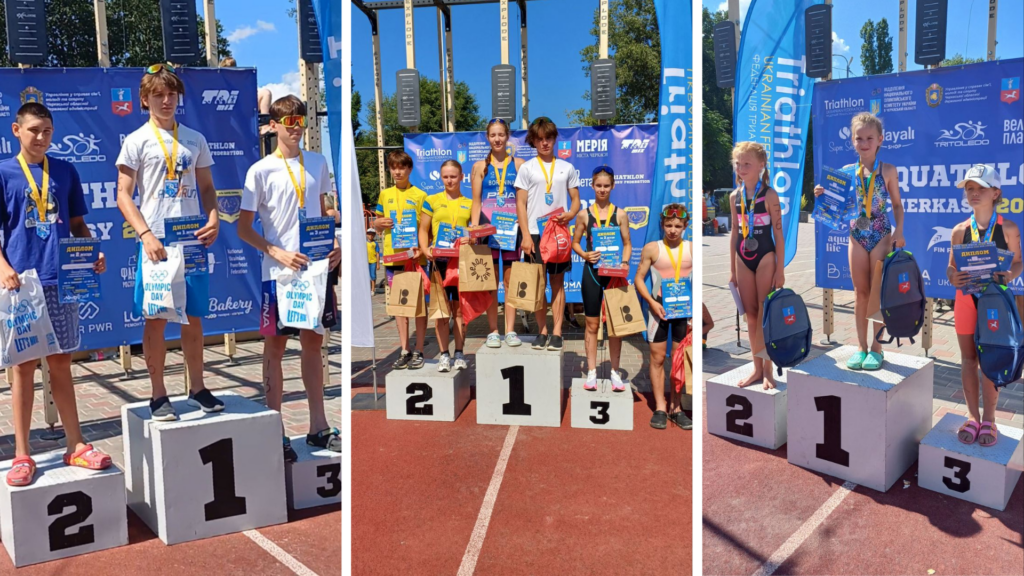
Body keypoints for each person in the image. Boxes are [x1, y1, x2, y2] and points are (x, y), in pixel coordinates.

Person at [0, 103, 113, 486]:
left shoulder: (65, 170)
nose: (41, 137)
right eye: (33, 129)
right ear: (16, 130)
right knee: (23, 368)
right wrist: (3, 268)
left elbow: (78, 224)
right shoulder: (4, 172)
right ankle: (21, 454)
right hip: (22, 284)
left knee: (62, 363)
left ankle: (75, 444)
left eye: (47, 130)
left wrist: (91, 252)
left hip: (63, 280)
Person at [116, 63, 223, 420]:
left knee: (193, 317)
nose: (166, 100)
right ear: (144, 100)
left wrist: (213, 217)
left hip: (191, 239)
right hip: (157, 241)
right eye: (158, 95)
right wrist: (145, 234)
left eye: (171, 94)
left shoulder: (194, 138)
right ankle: (158, 394)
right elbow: (123, 194)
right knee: (156, 319)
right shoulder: (136, 140)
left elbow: (207, 188)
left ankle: (197, 387)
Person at [237, 94, 342, 460]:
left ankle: (318, 426)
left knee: (314, 344)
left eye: (301, 122)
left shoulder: (318, 162)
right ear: (274, 126)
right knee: (275, 348)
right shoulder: (260, 170)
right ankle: (275, 429)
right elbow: (243, 229)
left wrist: (335, 243)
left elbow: (326, 213)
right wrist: (276, 252)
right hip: (278, 275)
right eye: (289, 123)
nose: (296, 129)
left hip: (315, 270)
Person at [814, 112, 905, 372]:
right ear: (852, 141)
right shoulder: (845, 173)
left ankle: (877, 348)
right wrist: (821, 195)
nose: (864, 143)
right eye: (859, 138)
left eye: (869, 138)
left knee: (877, 293)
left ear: (880, 140)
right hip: (856, 234)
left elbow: (897, 205)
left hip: (880, 233)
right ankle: (861, 347)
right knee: (860, 293)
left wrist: (899, 230)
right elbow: (836, 207)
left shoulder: (888, 170)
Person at [947, 164, 1022, 447]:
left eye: (981, 188)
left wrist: (1011, 274)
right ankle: (972, 416)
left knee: (990, 357)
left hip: (994, 302)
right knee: (969, 359)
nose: (974, 193)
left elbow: (1018, 262)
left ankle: (989, 418)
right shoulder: (959, 230)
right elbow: (951, 268)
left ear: (996, 192)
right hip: (965, 300)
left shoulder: (1008, 228)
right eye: (970, 188)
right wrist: (953, 276)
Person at [513, 117, 581, 351]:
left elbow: (576, 200)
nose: (544, 143)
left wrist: (571, 214)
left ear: (554, 139)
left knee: (558, 284)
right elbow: (520, 204)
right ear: (533, 141)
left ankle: (557, 332)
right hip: (535, 233)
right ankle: (542, 331)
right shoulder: (527, 168)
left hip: (558, 233)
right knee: (538, 285)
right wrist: (525, 235)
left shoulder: (566, 167)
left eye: (548, 138)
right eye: (540, 139)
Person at [729, 142, 785, 389]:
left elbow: (779, 235)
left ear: (761, 165)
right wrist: (732, 269)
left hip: (765, 258)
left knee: (765, 315)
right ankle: (756, 368)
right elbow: (734, 232)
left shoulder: (769, 195)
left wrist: (780, 270)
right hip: (743, 258)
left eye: (747, 164)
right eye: (738, 164)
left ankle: (768, 370)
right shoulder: (734, 196)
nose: (741, 168)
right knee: (751, 316)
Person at [570, 166, 631, 391]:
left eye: (606, 186)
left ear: (613, 186)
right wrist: (585, 255)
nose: (602, 189)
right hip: (592, 273)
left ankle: (615, 372)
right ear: (592, 186)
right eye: (598, 185)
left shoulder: (620, 214)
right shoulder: (584, 214)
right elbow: (575, 242)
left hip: (613, 275)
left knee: (615, 326)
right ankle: (592, 372)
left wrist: (624, 262)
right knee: (592, 324)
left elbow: (627, 244)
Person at [634, 204, 693, 430]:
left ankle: (675, 408)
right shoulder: (652, 248)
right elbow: (639, 279)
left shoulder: (692, 249)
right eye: (668, 225)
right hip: (658, 310)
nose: (673, 230)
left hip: (683, 312)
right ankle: (660, 407)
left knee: (678, 361)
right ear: (662, 225)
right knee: (657, 358)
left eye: (678, 226)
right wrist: (652, 303)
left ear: (685, 226)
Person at [470, 118, 526, 347]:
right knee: (491, 281)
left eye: (501, 134)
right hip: (488, 230)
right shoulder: (479, 166)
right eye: (493, 135)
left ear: (507, 136)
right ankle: (493, 330)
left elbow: (523, 201)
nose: (497, 139)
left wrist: (524, 224)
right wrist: (475, 228)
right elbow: (476, 201)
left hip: (512, 230)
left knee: (511, 281)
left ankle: (510, 330)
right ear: (487, 137)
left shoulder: (520, 164)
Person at [374, 151, 428, 369]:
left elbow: (427, 229)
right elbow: (377, 223)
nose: (397, 172)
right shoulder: (384, 194)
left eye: (401, 167)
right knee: (399, 307)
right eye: (393, 168)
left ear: (409, 169)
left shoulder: (421, 195)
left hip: (414, 259)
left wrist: (422, 250)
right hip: (393, 258)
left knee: (418, 307)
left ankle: (420, 349)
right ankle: (405, 349)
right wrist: (378, 224)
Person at [419, 160, 473, 372]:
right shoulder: (432, 200)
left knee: (459, 311)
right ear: (441, 177)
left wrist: (471, 238)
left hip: (460, 261)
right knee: (441, 311)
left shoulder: (469, 203)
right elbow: (423, 230)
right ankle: (443, 355)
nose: (449, 180)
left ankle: (459, 353)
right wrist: (425, 249)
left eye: (453, 176)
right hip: (439, 261)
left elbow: (475, 230)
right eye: (445, 177)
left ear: (461, 177)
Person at [367, 229, 380, 293]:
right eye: (369, 234)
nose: (370, 236)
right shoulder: (365, 243)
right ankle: (368, 289)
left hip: (373, 261)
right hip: (366, 262)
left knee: (373, 276)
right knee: (367, 276)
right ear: (367, 235)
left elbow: (377, 254)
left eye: (372, 235)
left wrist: (378, 264)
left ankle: (373, 289)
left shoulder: (375, 243)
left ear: (374, 235)